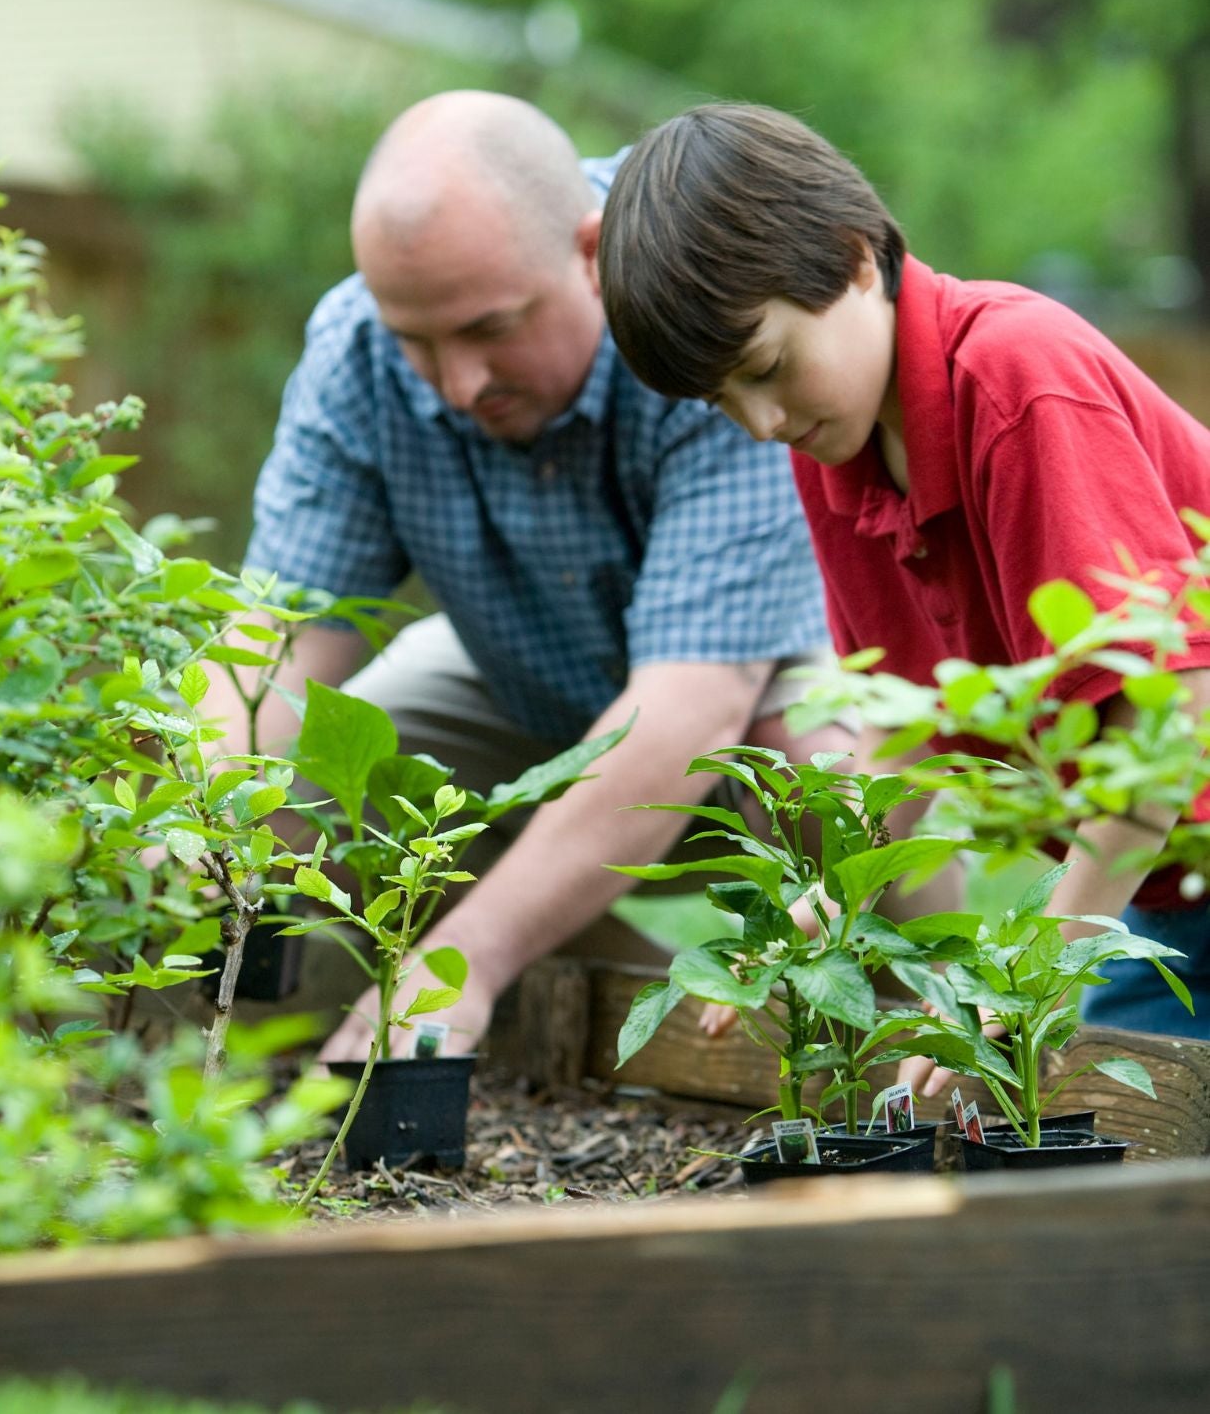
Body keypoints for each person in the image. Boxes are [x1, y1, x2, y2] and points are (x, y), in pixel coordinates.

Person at [196, 91, 840, 1063]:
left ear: (589, 251)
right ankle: (636, 1019)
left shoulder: (699, 297)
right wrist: (196, 814)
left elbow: (690, 708)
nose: (457, 383)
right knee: (325, 781)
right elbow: (273, 643)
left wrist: (465, 959)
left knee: (838, 776)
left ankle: (904, 1037)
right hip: (521, 682)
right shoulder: (358, 352)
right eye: (420, 342)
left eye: (490, 329)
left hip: (754, 686)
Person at [597, 100, 1210, 1061]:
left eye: (765, 367)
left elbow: (1171, 714)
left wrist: (1030, 978)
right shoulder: (833, 450)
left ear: (854, 258)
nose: (758, 422)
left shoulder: (1015, 380)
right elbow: (904, 724)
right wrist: (807, 918)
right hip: (1169, 890)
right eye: (721, 402)